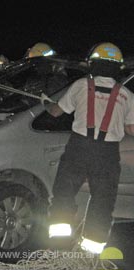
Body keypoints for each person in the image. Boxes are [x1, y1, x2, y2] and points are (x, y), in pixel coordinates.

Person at [44, 42, 134, 255]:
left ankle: (59, 249)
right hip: (107, 153)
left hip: (79, 148)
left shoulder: (80, 85)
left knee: (64, 194)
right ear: (117, 68)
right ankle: (91, 253)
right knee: (103, 201)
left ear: (92, 64)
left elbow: (56, 112)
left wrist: (46, 103)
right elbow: (131, 128)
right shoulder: (127, 95)